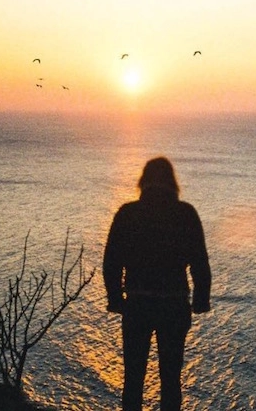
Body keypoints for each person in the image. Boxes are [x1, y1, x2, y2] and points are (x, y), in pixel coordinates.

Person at [103, 157, 212, 411]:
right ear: (172, 182)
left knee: (133, 379)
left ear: (143, 181)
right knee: (171, 380)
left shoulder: (127, 213)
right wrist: (200, 301)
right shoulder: (186, 213)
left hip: (137, 304)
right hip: (174, 305)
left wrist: (115, 299)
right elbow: (199, 261)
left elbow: (111, 261)